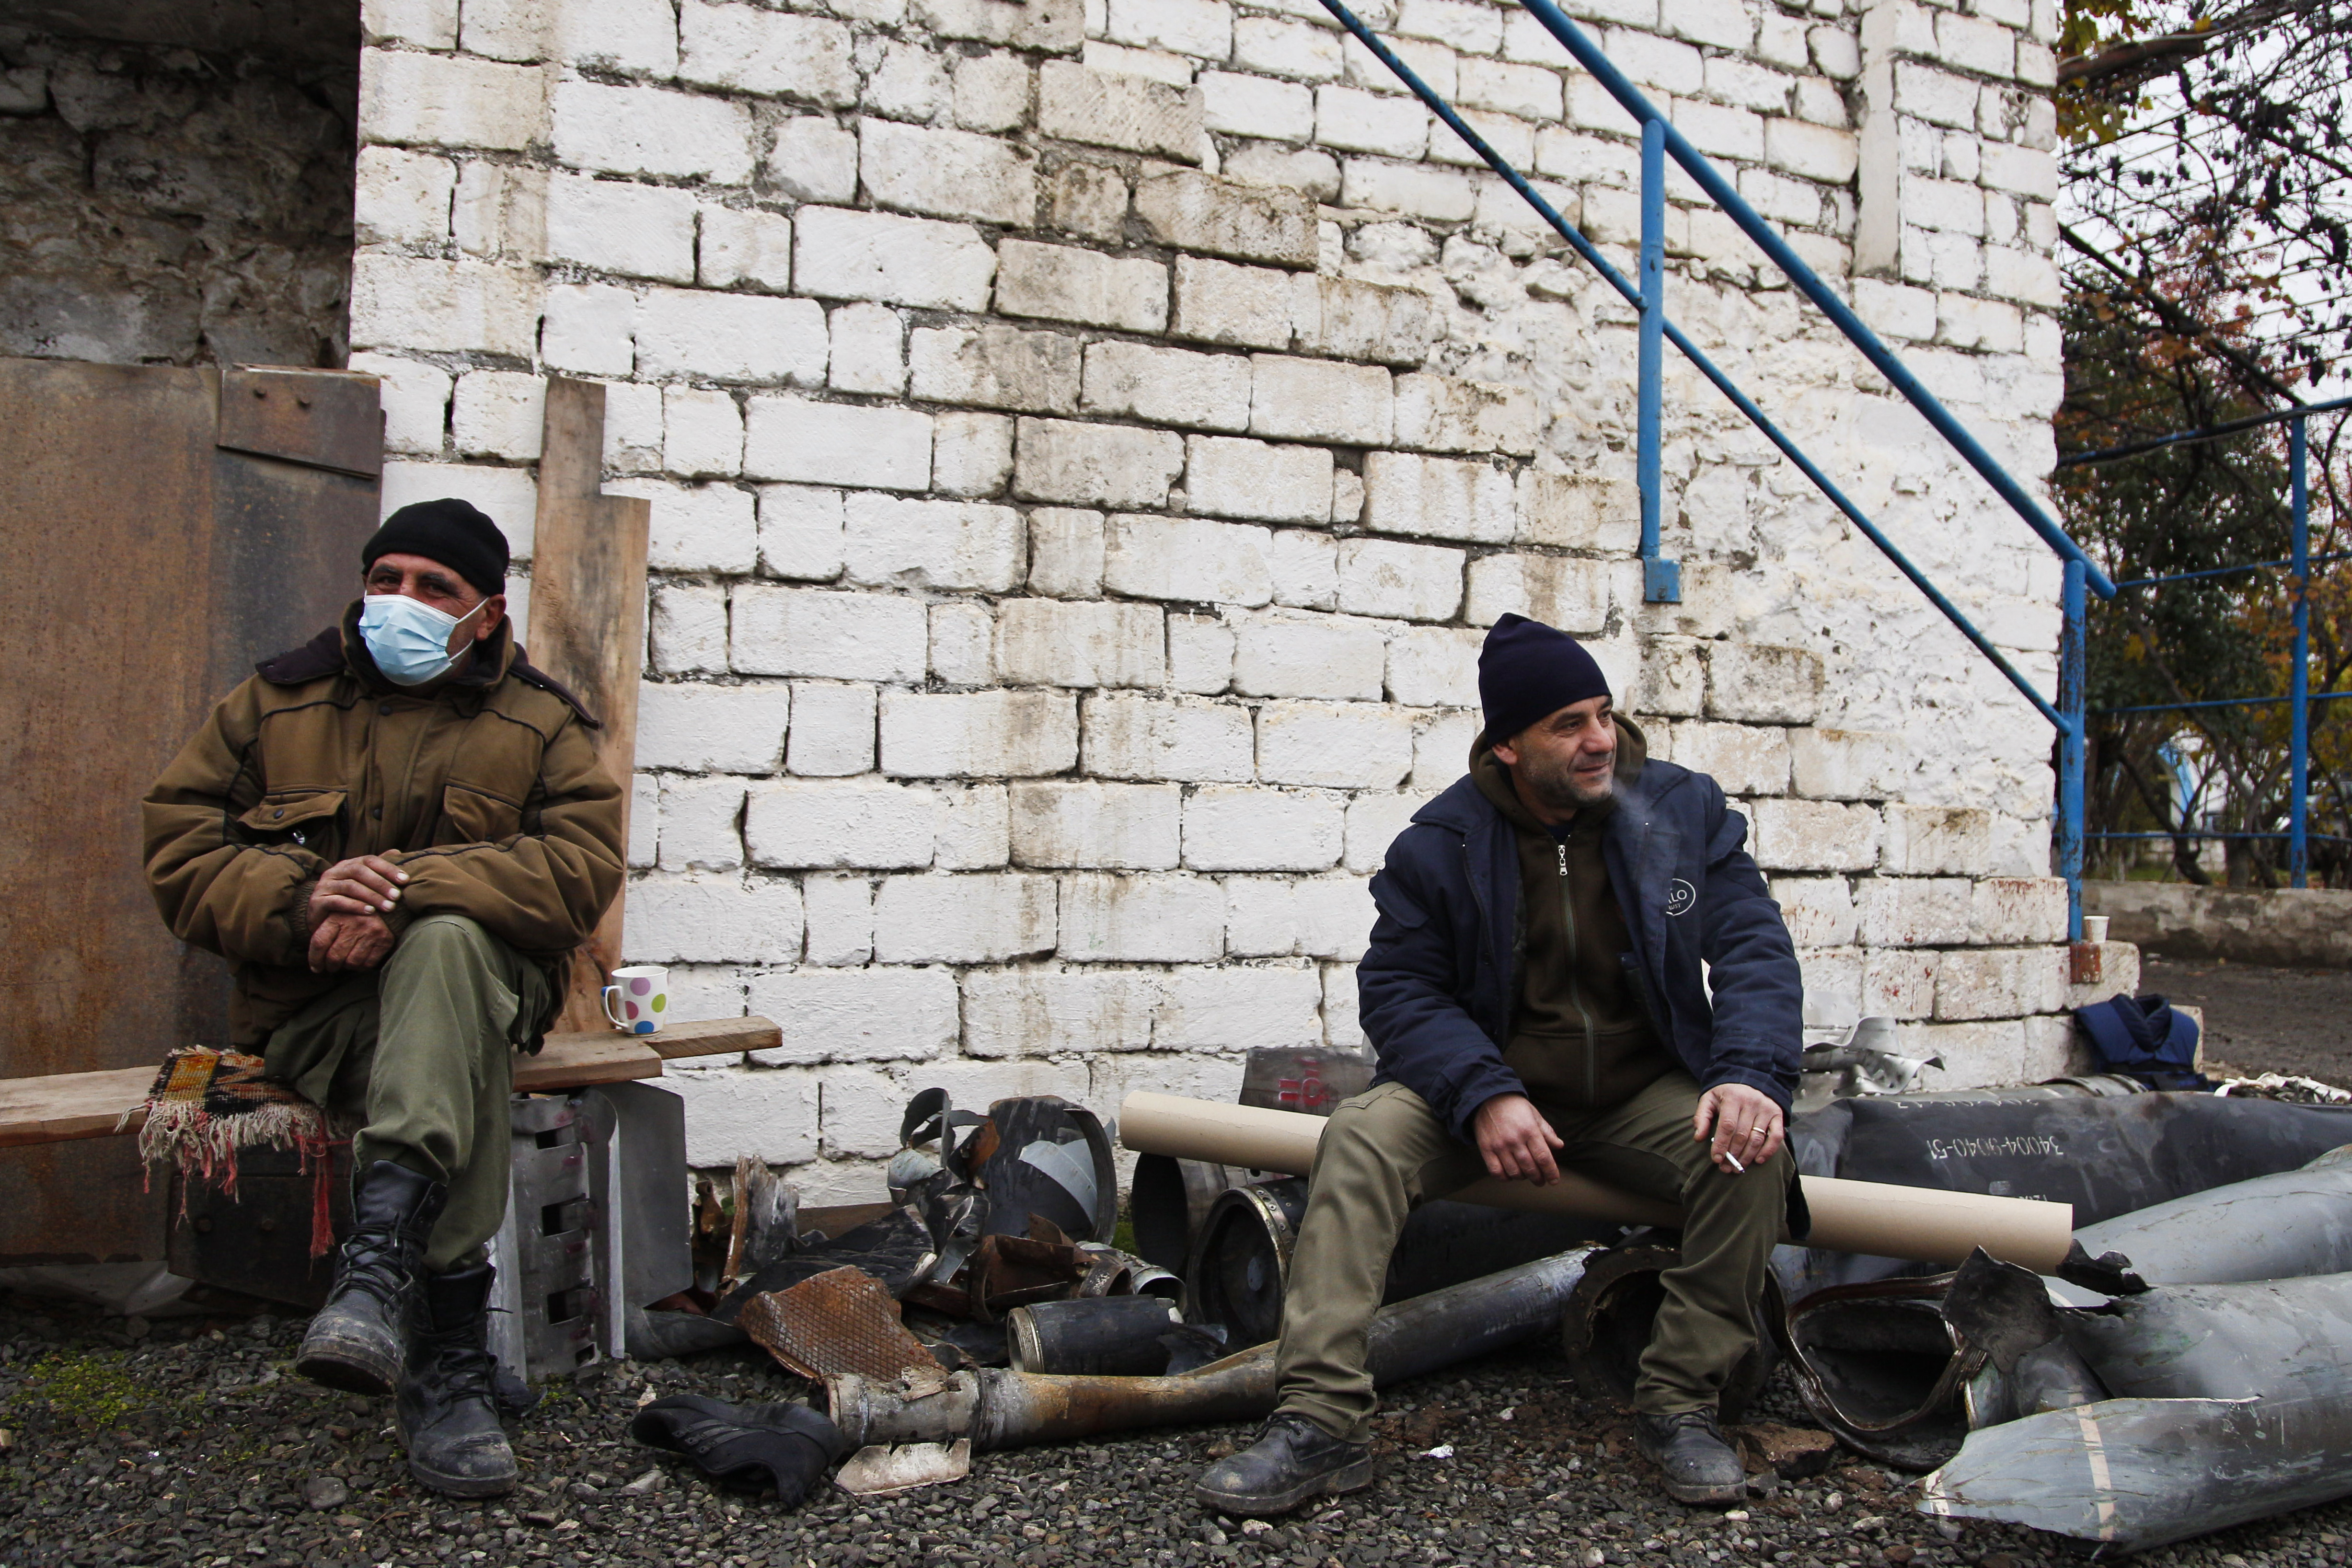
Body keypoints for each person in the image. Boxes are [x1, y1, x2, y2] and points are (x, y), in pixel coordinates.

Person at [1196, 613, 1806, 1515]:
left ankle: (1681, 1404)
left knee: (1749, 1152)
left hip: (1645, 1091)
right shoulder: (1440, 844)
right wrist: (1483, 1093)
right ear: (1510, 746)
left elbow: (1755, 945)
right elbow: (1401, 989)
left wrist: (1750, 1074)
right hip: (1493, 1093)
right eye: (1569, 724)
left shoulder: (1681, 811)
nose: (1600, 739)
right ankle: (1320, 1424)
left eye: (1603, 713)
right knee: (1361, 1134)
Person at [143, 498, 626, 1498]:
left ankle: (374, 1274)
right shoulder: (275, 703)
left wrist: (397, 893)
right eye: (385, 578)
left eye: (433, 588)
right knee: (463, 1061)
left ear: (486, 615)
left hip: (481, 985)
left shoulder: (541, 725)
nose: (399, 600)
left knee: (447, 952)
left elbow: (579, 872)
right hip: (321, 1017)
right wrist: (304, 895)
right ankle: (446, 1359)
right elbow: (180, 849)